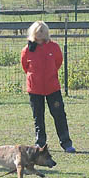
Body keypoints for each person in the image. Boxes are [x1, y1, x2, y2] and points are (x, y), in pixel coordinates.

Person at [21, 21, 75, 153]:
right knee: (38, 117)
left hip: (52, 88)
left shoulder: (54, 47)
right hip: (35, 90)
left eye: (43, 31)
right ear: (33, 33)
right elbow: (25, 66)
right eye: (38, 31)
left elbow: (58, 62)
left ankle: (66, 143)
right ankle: (40, 143)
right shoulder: (27, 50)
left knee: (59, 115)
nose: (40, 34)